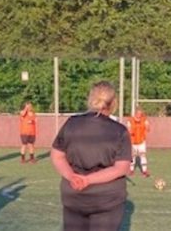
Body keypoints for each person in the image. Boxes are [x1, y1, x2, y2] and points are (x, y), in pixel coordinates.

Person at [51, 81, 132, 231]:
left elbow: (57, 155)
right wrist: (87, 180)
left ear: (90, 99)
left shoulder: (71, 123)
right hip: (106, 199)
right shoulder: (120, 131)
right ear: (114, 102)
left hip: (74, 195)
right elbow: (121, 168)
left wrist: (72, 177)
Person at [126, 107, 151, 176]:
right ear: (135, 113)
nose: (139, 115)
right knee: (133, 156)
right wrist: (131, 131)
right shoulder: (130, 120)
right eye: (138, 113)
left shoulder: (144, 120)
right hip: (133, 141)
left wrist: (147, 125)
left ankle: (144, 170)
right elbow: (128, 130)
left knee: (142, 155)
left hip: (141, 141)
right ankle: (131, 170)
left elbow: (148, 129)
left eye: (141, 114)